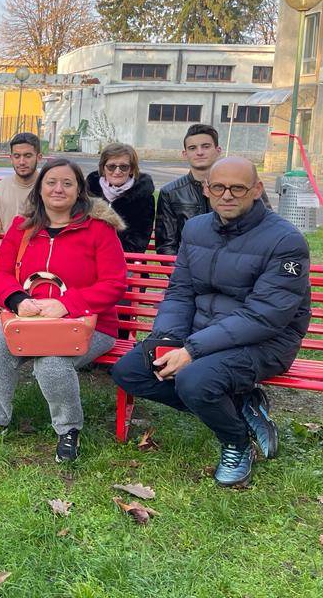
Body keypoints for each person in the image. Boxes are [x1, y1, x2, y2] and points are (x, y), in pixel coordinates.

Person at [111, 157, 310, 487]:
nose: (227, 195)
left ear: (257, 190)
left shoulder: (285, 241)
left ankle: (236, 441)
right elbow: (181, 290)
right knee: (129, 371)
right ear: (206, 189)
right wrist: (169, 339)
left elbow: (264, 316)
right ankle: (241, 403)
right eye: (218, 187)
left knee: (194, 380)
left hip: (265, 342)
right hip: (202, 334)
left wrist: (190, 351)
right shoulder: (197, 228)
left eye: (238, 188)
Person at [0, 158, 127, 462]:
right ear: (39, 189)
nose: (58, 189)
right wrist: (17, 300)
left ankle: (68, 430)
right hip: (26, 318)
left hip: (89, 324)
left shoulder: (99, 230)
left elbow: (114, 283)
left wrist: (66, 305)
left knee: (51, 362)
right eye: (51, 182)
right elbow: (0, 274)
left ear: (79, 190)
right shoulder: (22, 227)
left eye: (68, 183)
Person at [154, 124, 221, 255]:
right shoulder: (170, 193)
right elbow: (167, 246)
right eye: (192, 148)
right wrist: (181, 273)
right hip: (187, 269)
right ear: (185, 154)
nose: (199, 152)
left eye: (206, 146)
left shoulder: (238, 187)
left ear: (218, 150)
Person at [85, 142, 155, 254]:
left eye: (124, 167)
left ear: (131, 169)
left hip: (124, 259)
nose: (117, 172)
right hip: (89, 256)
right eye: (111, 166)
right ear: (103, 168)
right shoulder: (88, 193)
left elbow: (138, 242)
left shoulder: (143, 197)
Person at [0, 132, 42, 246]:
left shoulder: (50, 190)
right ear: (11, 158)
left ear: (39, 157)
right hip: (8, 251)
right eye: (17, 156)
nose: (22, 162)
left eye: (27, 156)